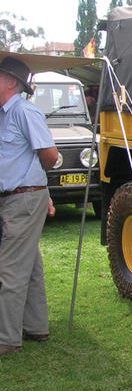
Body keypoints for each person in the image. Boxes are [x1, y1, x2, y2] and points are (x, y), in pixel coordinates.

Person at [0, 56, 58, 356]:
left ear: (12, 81)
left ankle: (6, 339)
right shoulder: (3, 113)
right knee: (29, 265)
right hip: (16, 198)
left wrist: (36, 182)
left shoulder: (24, 111)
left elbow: (49, 154)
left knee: (9, 270)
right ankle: (36, 327)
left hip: (23, 198)